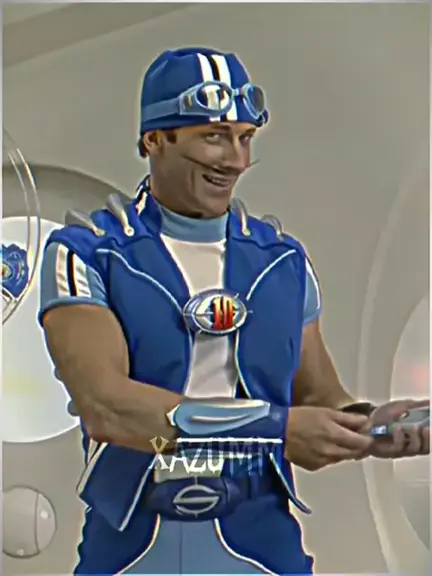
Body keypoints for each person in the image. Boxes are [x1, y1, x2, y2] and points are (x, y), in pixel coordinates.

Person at [38, 47, 429, 575]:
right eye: (214, 136)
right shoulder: (88, 253)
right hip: (132, 544)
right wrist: (276, 428)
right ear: (154, 139)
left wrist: (371, 426)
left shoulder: (282, 262)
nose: (236, 160)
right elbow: (107, 408)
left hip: (258, 540)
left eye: (245, 138)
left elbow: (317, 401)